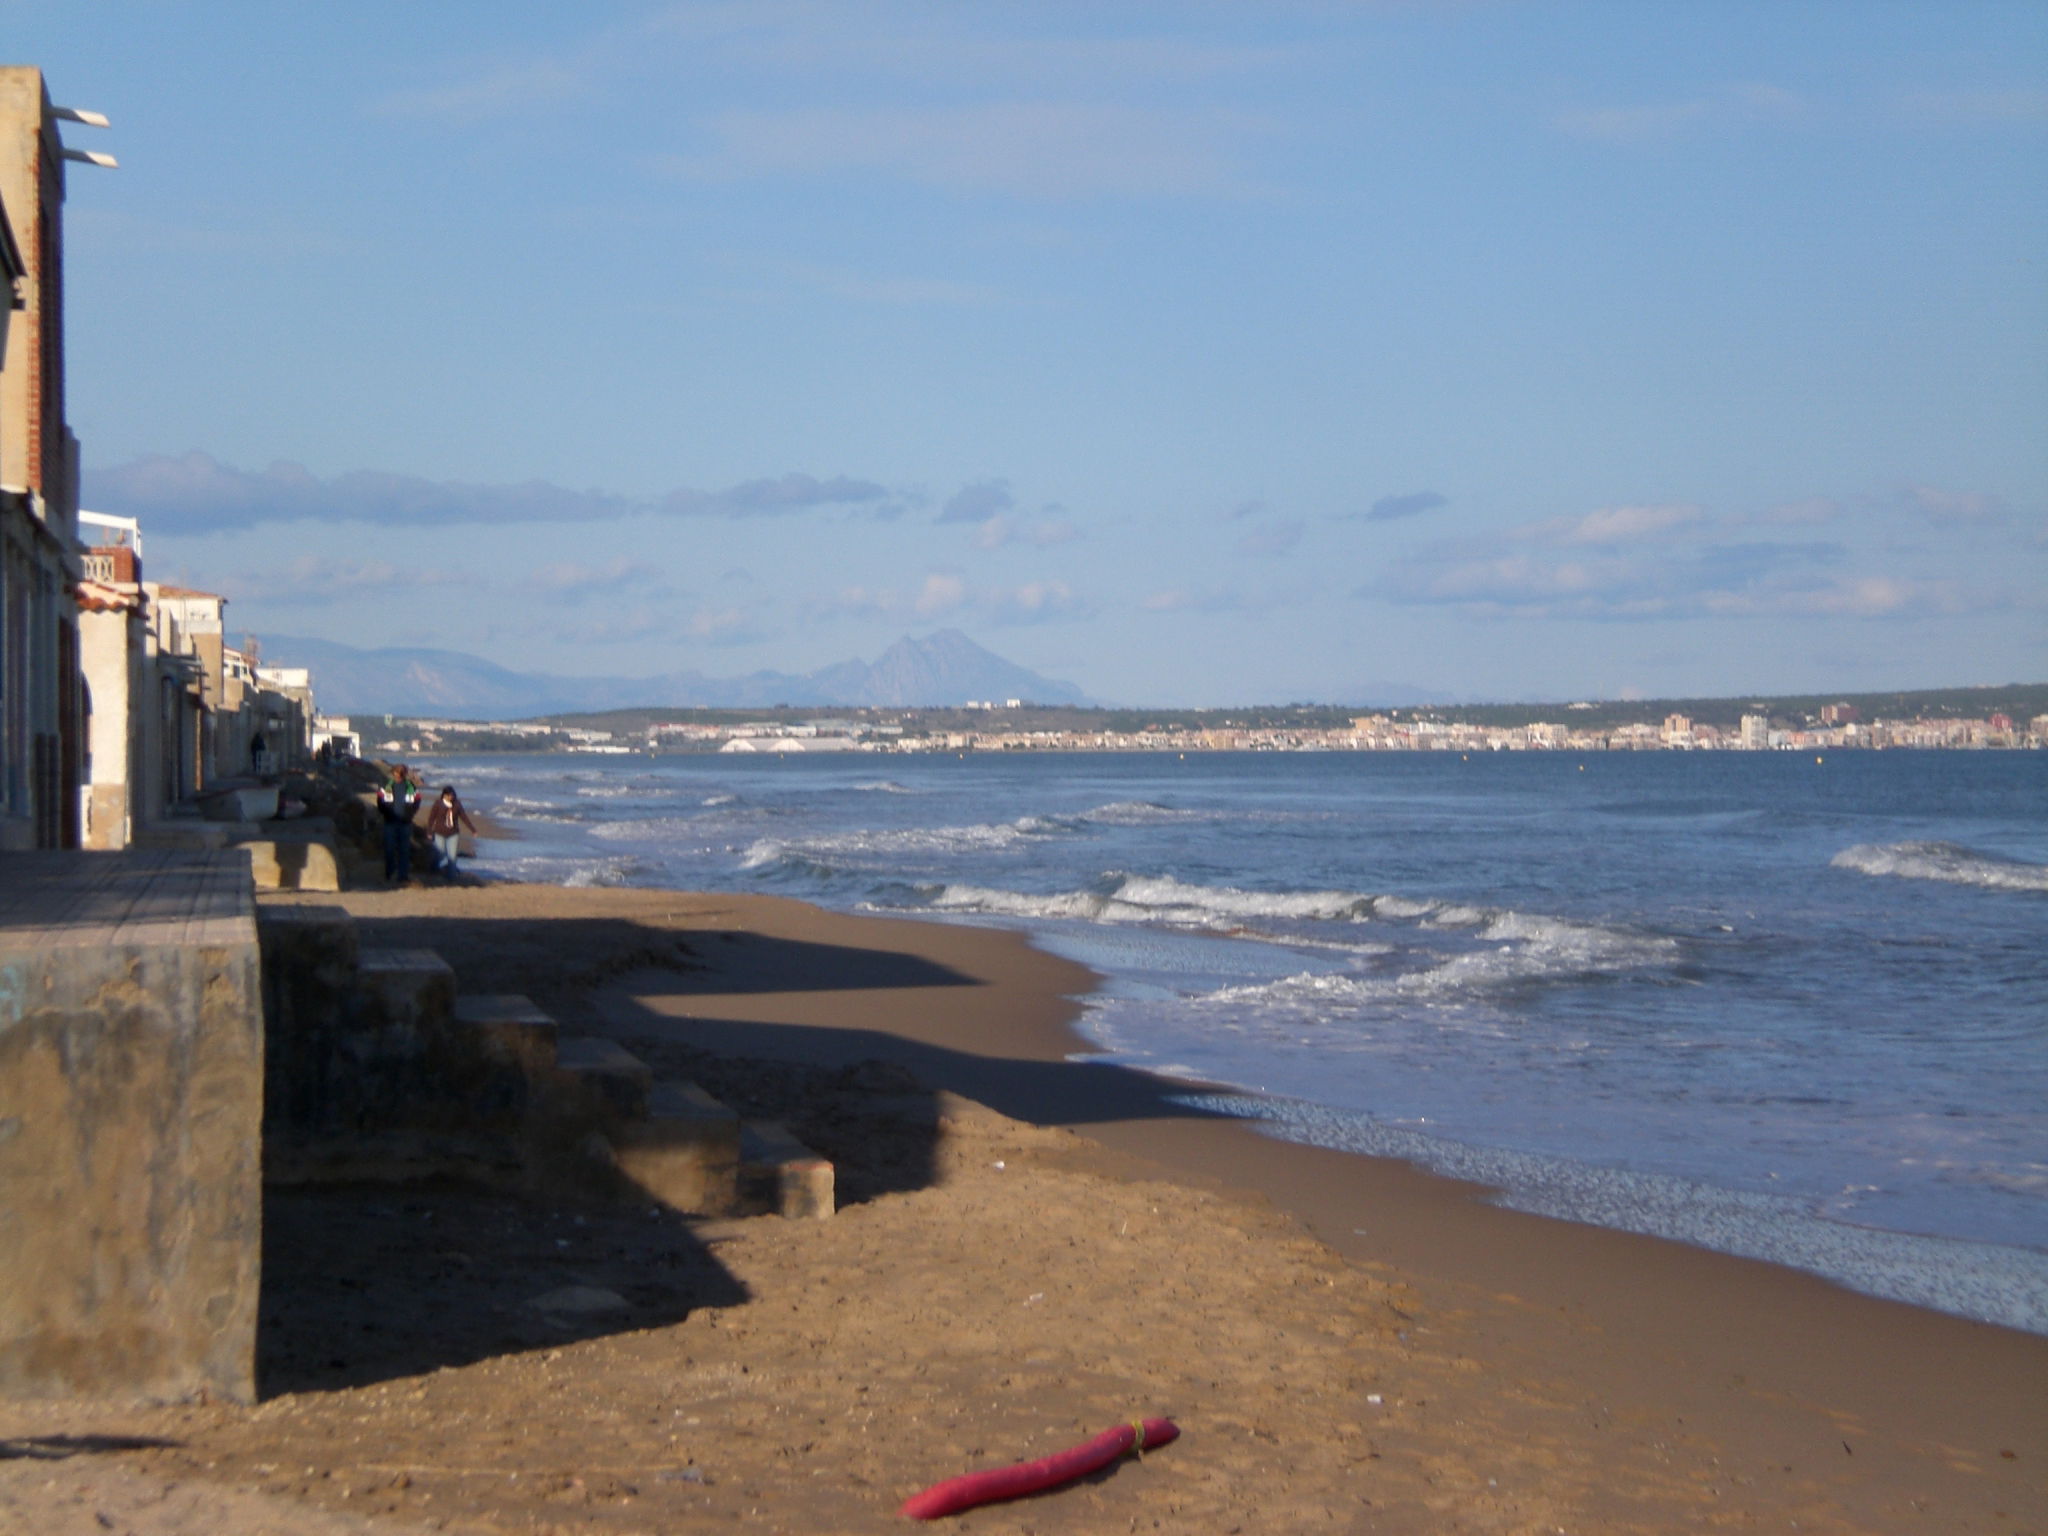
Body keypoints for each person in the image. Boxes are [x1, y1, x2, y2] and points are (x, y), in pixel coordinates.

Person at [375, 765, 423, 883]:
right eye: (396, 772)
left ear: (404, 774)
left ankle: (403, 876)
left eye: (401, 773)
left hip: (405, 823)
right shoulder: (386, 786)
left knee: (404, 850)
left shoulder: (410, 787)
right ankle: (390, 873)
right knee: (389, 849)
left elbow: (417, 801)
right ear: (393, 773)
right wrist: (385, 812)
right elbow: (380, 801)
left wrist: (410, 814)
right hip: (390, 822)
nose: (398, 775)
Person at [425, 784, 477, 880]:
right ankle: (433, 870)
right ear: (444, 795)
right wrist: (429, 831)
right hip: (439, 832)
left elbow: (464, 817)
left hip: (453, 833)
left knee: (452, 856)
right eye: (448, 795)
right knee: (440, 853)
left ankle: (451, 877)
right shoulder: (438, 804)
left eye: (452, 795)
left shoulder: (457, 804)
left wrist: (472, 829)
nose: (450, 797)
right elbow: (431, 818)